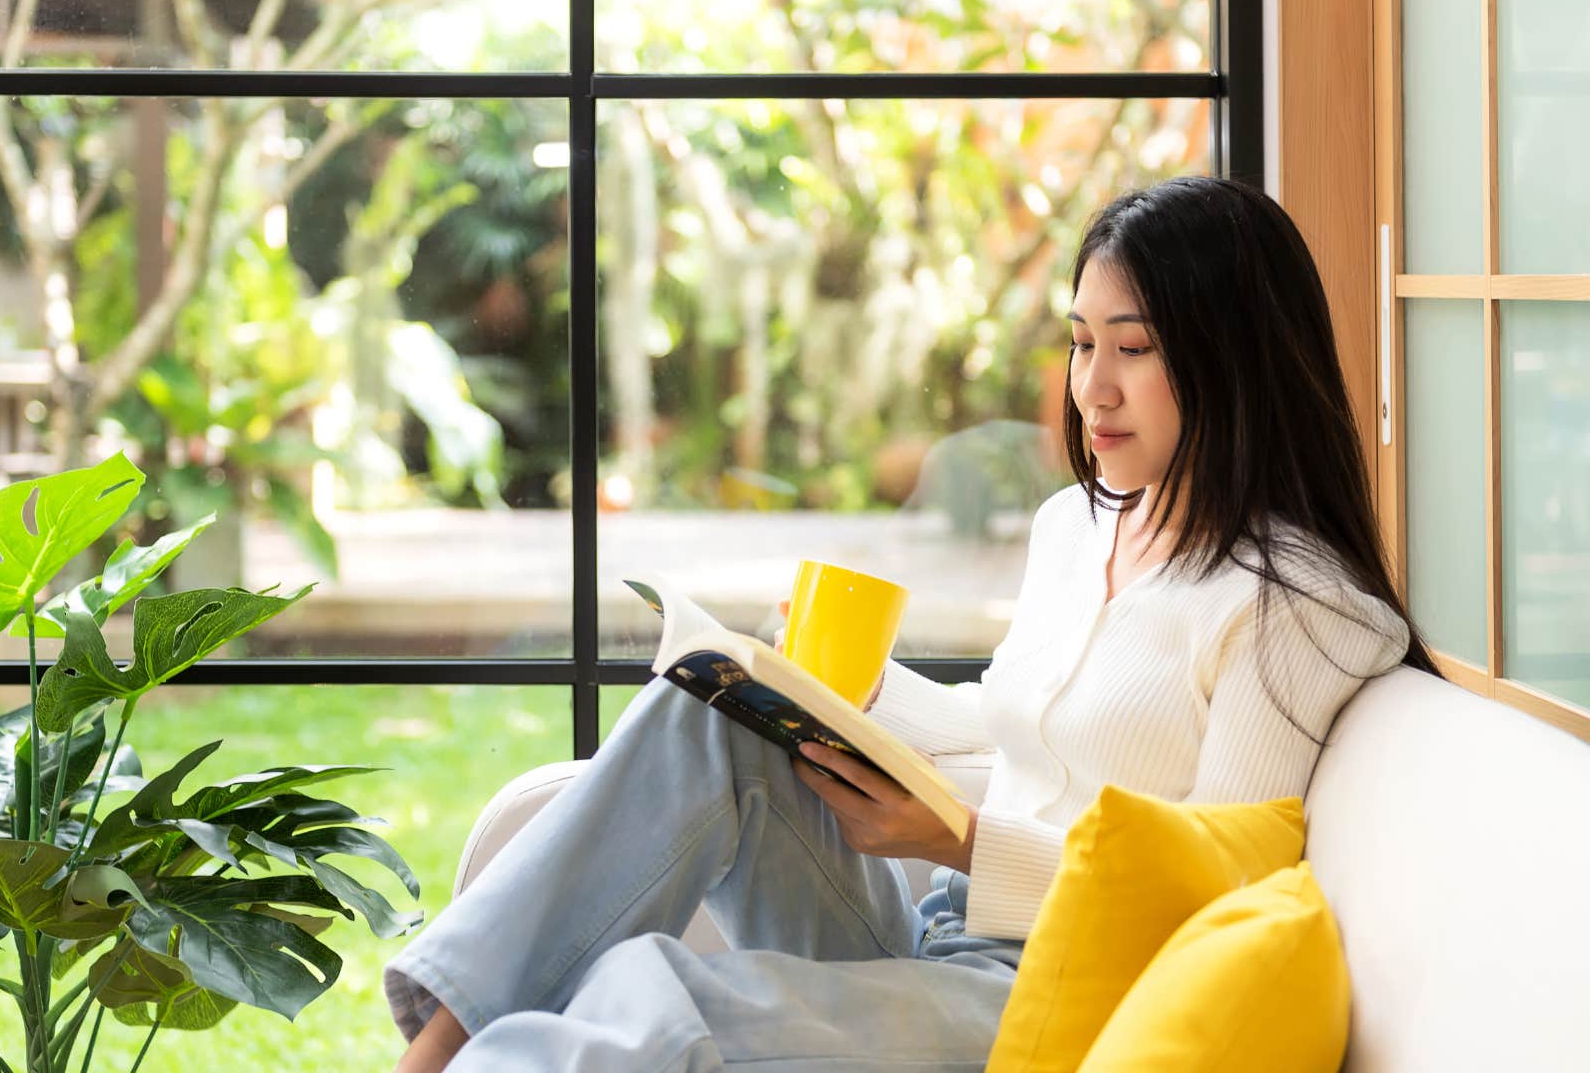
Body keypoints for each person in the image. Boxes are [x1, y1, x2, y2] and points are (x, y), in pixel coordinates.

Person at [383, 175, 1444, 1072]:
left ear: (1237, 360)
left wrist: (963, 842)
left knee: (656, 994)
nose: (1093, 389)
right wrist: (850, 694)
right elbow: (1016, 722)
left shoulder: (1293, 608)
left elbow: (1212, 897)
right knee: (705, 713)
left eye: (1134, 348)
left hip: (1061, 1002)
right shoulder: (1077, 526)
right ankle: (434, 1047)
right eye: (1081, 344)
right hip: (939, 937)